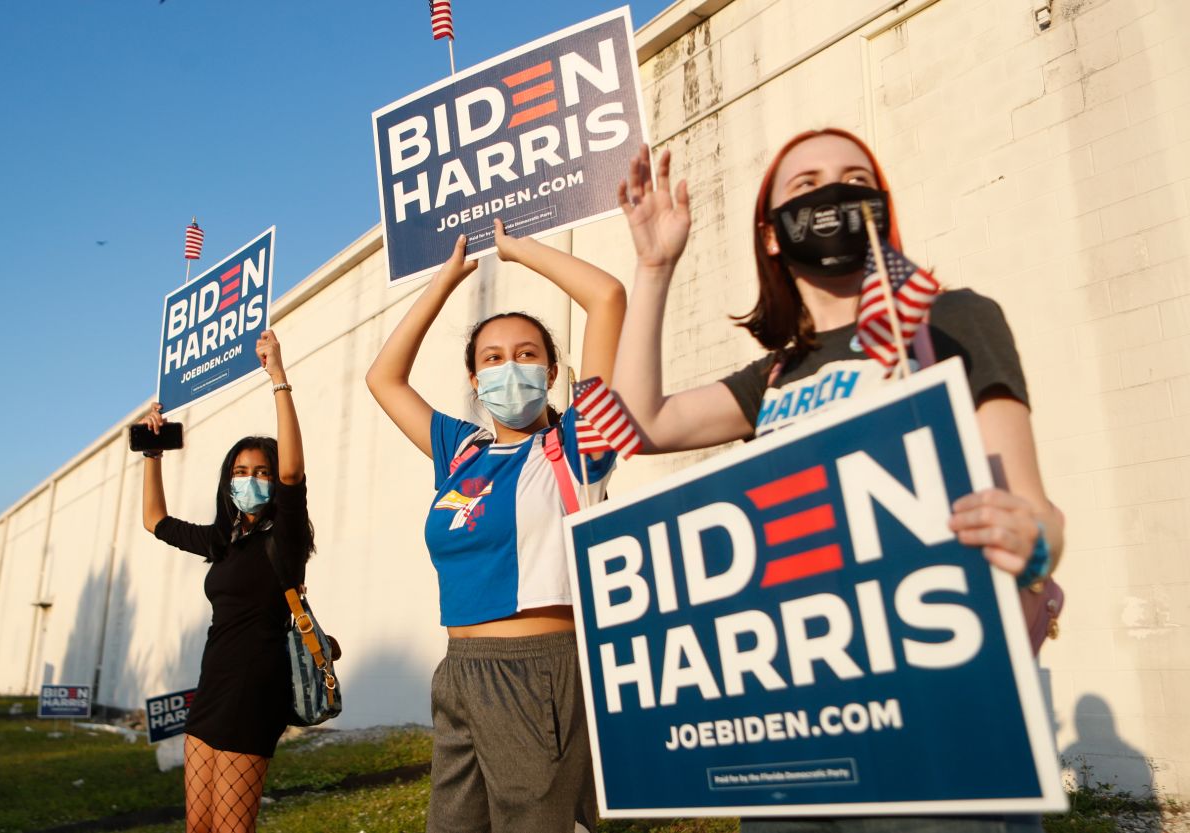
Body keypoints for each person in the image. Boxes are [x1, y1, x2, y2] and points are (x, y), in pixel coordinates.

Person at [609, 133, 1065, 832]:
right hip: (798, 732)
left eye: (855, 178)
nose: (833, 194)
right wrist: (653, 266)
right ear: (771, 235)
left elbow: (1036, 512)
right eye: (805, 185)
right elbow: (642, 422)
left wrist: (1031, 542)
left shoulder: (951, 320)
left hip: (936, 724)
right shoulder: (770, 377)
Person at [365, 222, 625, 833]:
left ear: (554, 372)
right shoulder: (461, 451)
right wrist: (445, 281)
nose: (510, 369)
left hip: (539, 668)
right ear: (476, 381)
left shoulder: (578, 443)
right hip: (459, 671)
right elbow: (384, 378)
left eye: (527, 355)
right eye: (493, 358)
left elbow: (608, 297)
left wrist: (517, 249)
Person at [138, 329, 313, 833]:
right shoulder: (223, 541)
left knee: (232, 830)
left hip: (255, 690)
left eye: (261, 470)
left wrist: (278, 376)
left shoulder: (287, 537)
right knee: (199, 828)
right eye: (241, 470)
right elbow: (155, 521)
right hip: (212, 687)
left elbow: (294, 471)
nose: (251, 478)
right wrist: (154, 452)